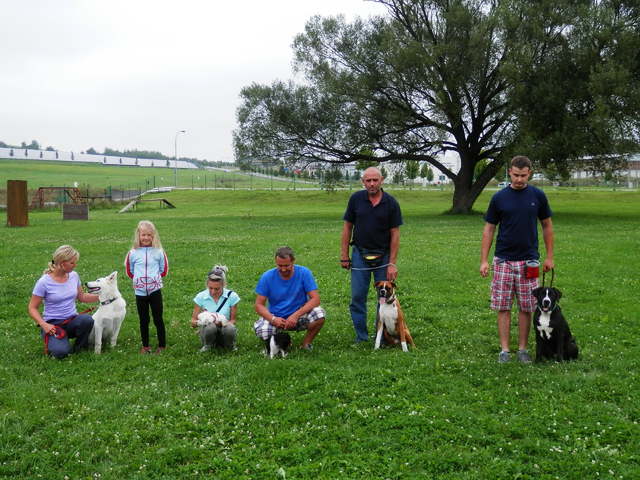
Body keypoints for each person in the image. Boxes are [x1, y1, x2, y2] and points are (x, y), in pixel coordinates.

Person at [480, 155, 554, 363]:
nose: (519, 179)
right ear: (509, 173)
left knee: (527, 307)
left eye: (523, 175)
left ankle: (522, 349)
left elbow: (547, 226)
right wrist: (484, 260)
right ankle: (504, 350)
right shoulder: (499, 198)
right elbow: (489, 229)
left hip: (529, 261)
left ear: (529, 173)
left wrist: (549, 257)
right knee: (503, 307)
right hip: (503, 260)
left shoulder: (538, 196)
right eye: (515, 175)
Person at [340, 166, 403, 343]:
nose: (372, 184)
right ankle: (361, 336)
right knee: (357, 297)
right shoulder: (356, 200)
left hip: (383, 256)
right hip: (360, 254)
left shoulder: (391, 203)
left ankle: (381, 337)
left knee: (383, 297)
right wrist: (344, 255)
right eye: (368, 180)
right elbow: (347, 227)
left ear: (381, 180)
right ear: (363, 182)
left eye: (375, 180)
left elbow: (395, 234)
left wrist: (392, 263)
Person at [28, 245, 98, 359]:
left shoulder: (74, 276)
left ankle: (79, 348)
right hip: (53, 325)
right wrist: (44, 325)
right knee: (61, 353)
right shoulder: (43, 282)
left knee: (87, 320)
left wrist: (102, 296)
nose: (75, 265)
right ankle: (59, 343)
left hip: (72, 320)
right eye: (72, 263)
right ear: (61, 263)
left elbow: (82, 297)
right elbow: (32, 308)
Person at [254, 246, 325, 351]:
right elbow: (258, 305)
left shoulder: (304, 273)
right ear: (275, 262)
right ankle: (275, 345)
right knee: (263, 331)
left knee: (320, 314)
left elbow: (315, 299)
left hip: (299, 315)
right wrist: (273, 319)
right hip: (276, 316)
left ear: (293, 261)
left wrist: (296, 315)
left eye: (287, 265)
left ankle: (306, 344)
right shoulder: (267, 277)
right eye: (280, 265)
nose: (283, 269)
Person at [125, 220, 169, 354]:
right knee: (143, 320)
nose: (146, 238)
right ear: (138, 235)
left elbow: (163, 270)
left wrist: (153, 280)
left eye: (149, 235)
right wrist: (140, 281)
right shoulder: (133, 253)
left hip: (155, 291)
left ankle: (162, 345)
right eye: (143, 235)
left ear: (153, 236)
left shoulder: (159, 251)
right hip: (140, 292)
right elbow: (130, 271)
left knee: (158, 318)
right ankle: (145, 346)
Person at [190, 265, 240, 351]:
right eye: (210, 288)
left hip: (224, 330)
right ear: (207, 284)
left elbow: (233, 321)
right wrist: (203, 321)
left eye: (217, 289)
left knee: (230, 328)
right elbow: (193, 322)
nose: (213, 292)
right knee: (210, 327)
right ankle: (208, 346)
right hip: (207, 332)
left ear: (223, 285)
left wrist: (222, 323)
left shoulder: (232, 296)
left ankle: (230, 346)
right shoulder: (201, 297)